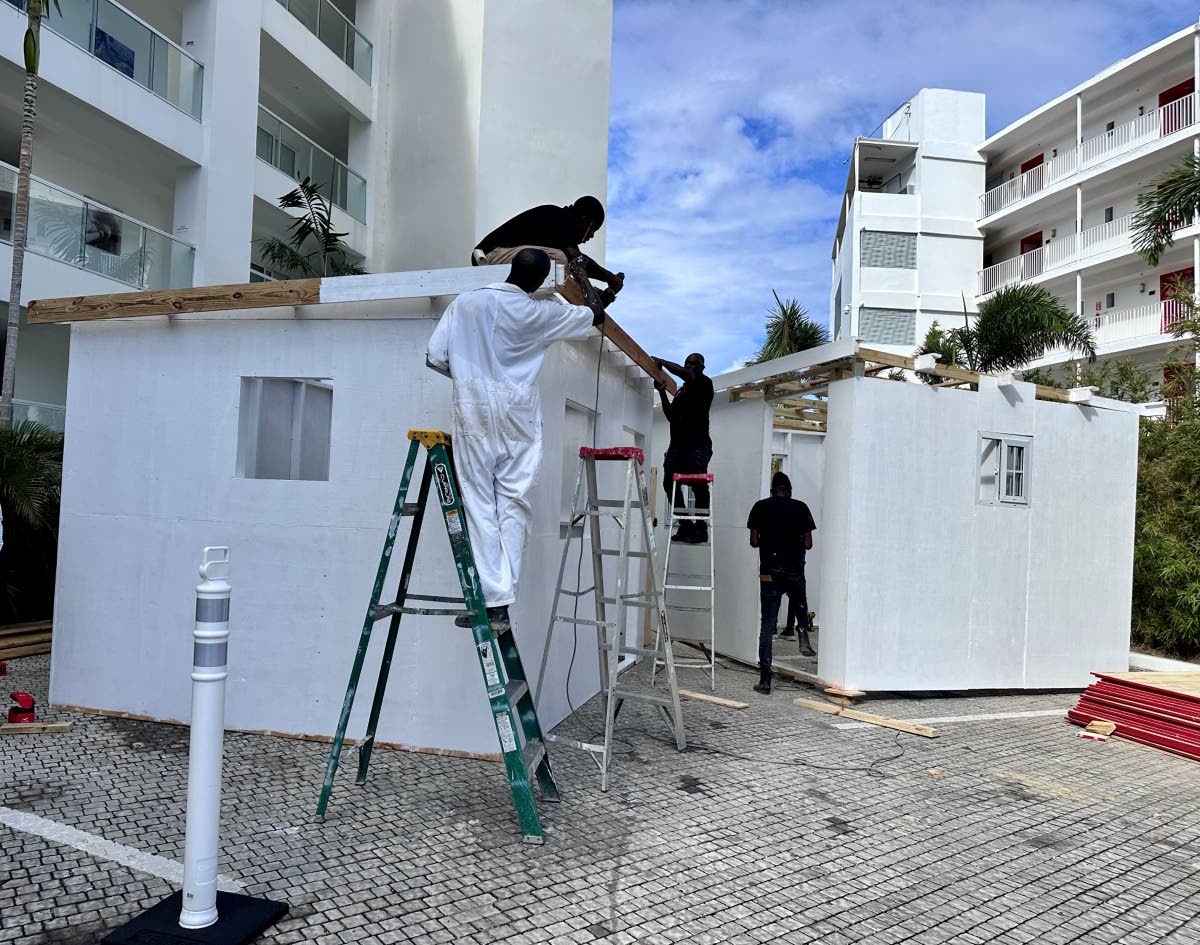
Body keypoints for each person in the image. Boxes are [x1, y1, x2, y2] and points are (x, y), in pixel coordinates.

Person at [426, 249, 606, 631]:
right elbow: (595, 314)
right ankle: (500, 605)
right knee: (513, 504)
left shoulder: (466, 303)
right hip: (518, 418)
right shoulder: (540, 312)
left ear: (512, 268)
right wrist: (587, 280)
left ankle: (494, 598)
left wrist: (468, 377)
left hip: (473, 412)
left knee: (478, 505)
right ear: (539, 282)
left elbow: (434, 356)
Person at [474, 196, 624, 301]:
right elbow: (577, 260)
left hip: (500, 253)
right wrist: (610, 279)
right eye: (593, 230)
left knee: (562, 263)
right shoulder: (559, 217)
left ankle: (587, 296)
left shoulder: (558, 221)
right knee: (562, 259)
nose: (591, 236)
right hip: (490, 256)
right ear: (584, 221)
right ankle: (586, 299)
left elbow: (579, 264)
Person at [747, 472, 816, 694]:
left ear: (772, 490)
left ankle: (765, 680)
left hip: (770, 572)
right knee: (800, 600)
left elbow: (754, 541)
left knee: (767, 624)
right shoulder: (801, 507)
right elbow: (808, 543)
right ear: (790, 489)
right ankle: (803, 633)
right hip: (795, 569)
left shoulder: (760, 507)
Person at [653, 353, 713, 543]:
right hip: (677, 447)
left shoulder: (704, 383)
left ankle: (701, 528)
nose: (689, 367)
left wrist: (662, 362)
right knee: (668, 483)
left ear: (701, 367)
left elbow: (683, 373)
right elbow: (671, 415)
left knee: (698, 483)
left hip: (697, 445)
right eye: (687, 363)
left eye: (693, 364)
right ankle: (686, 527)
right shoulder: (680, 392)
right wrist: (663, 392)